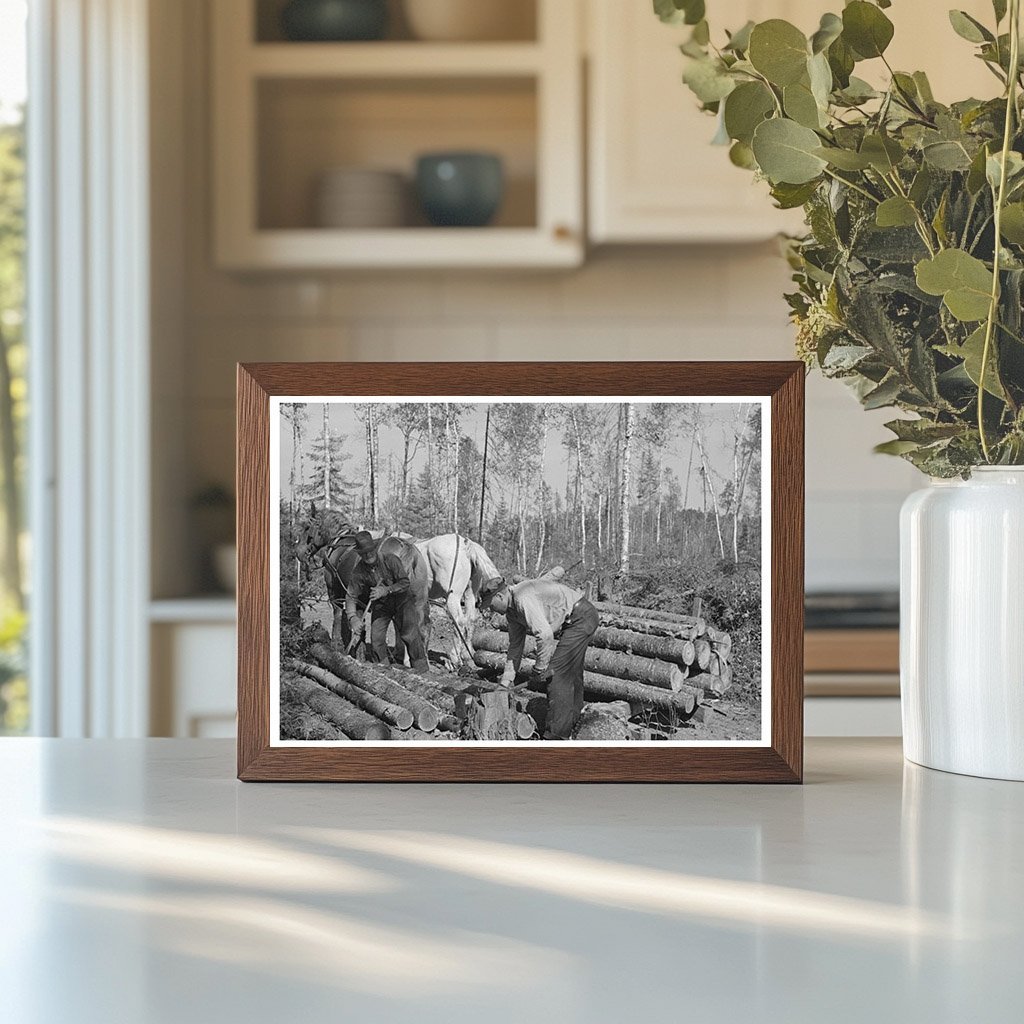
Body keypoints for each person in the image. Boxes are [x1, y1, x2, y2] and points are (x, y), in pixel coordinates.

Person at [479, 574, 599, 740]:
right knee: (570, 672)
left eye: (491, 605)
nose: (492, 610)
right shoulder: (512, 613)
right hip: (574, 620)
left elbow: (544, 635)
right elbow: (515, 648)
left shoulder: (522, 598)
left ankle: (555, 737)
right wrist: (505, 683)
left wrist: (540, 668)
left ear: (499, 596)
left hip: (581, 616)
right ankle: (575, 724)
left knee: (557, 675)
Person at [345, 531, 429, 672]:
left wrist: (386, 590)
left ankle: (422, 670)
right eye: (364, 553)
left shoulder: (391, 560)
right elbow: (351, 595)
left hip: (402, 601)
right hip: (381, 606)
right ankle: (384, 673)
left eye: (370, 551)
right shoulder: (359, 570)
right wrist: (352, 617)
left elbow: (405, 583)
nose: (368, 555)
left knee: (410, 636)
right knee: (376, 640)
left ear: (375, 548)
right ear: (359, 554)